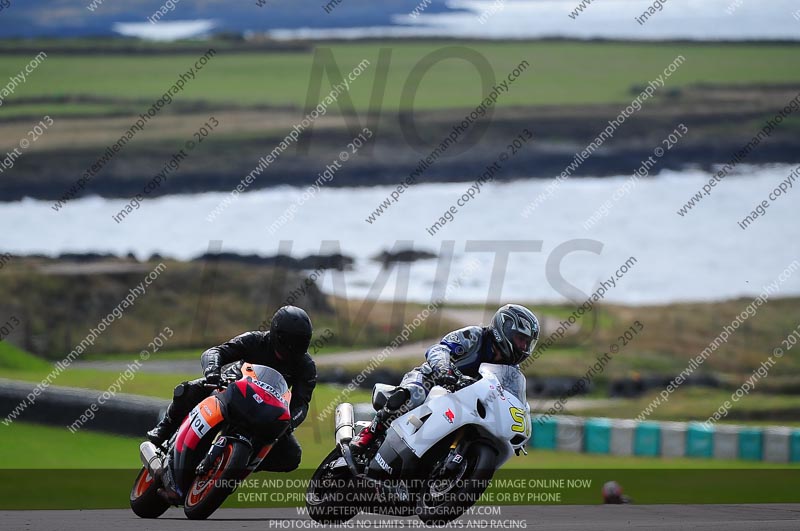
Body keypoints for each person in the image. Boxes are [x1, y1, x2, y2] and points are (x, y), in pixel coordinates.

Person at [146, 305, 317, 473]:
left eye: (298, 344)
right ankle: (163, 430)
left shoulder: (306, 366)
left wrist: (289, 423)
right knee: (189, 389)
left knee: (292, 456)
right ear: (275, 333)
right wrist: (213, 372)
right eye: (288, 342)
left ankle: (239, 465)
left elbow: (301, 404)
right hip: (232, 388)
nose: (291, 349)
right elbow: (215, 352)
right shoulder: (255, 340)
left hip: (267, 411)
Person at [351, 303, 539, 453]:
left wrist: (513, 427)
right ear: (504, 329)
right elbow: (438, 349)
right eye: (520, 339)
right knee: (410, 395)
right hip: (432, 381)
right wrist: (444, 370)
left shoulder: (510, 370)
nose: (523, 346)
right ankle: (370, 433)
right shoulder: (474, 336)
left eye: (527, 343)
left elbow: (508, 399)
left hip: (463, 401)